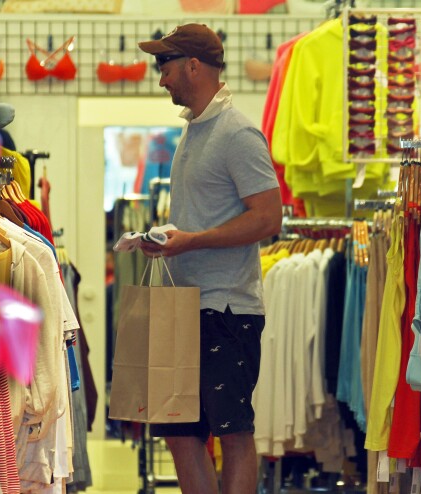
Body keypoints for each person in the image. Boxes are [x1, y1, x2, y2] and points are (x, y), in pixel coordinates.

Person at [137, 24, 282, 494]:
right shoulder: (195, 132)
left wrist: (192, 240)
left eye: (166, 66)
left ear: (193, 66)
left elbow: (268, 219)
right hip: (185, 308)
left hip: (226, 310)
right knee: (179, 436)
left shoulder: (237, 132)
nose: (161, 79)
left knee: (232, 433)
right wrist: (165, 239)